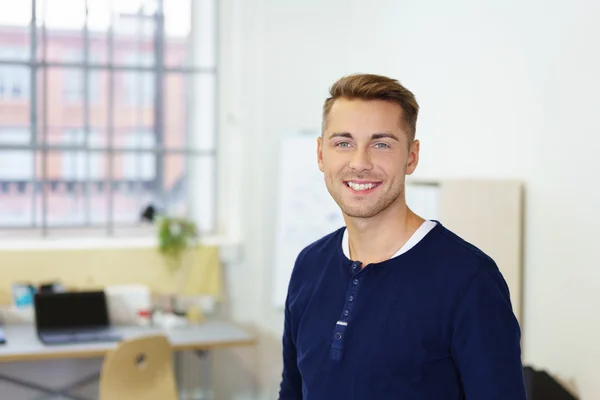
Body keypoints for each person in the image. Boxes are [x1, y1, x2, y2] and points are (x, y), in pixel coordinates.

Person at [278, 73, 527, 399]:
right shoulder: (309, 266)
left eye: (381, 144)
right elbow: (293, 392)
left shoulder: (468, 280)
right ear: (321, 155)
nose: (360, 163)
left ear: (411, 156)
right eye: (343, 143)